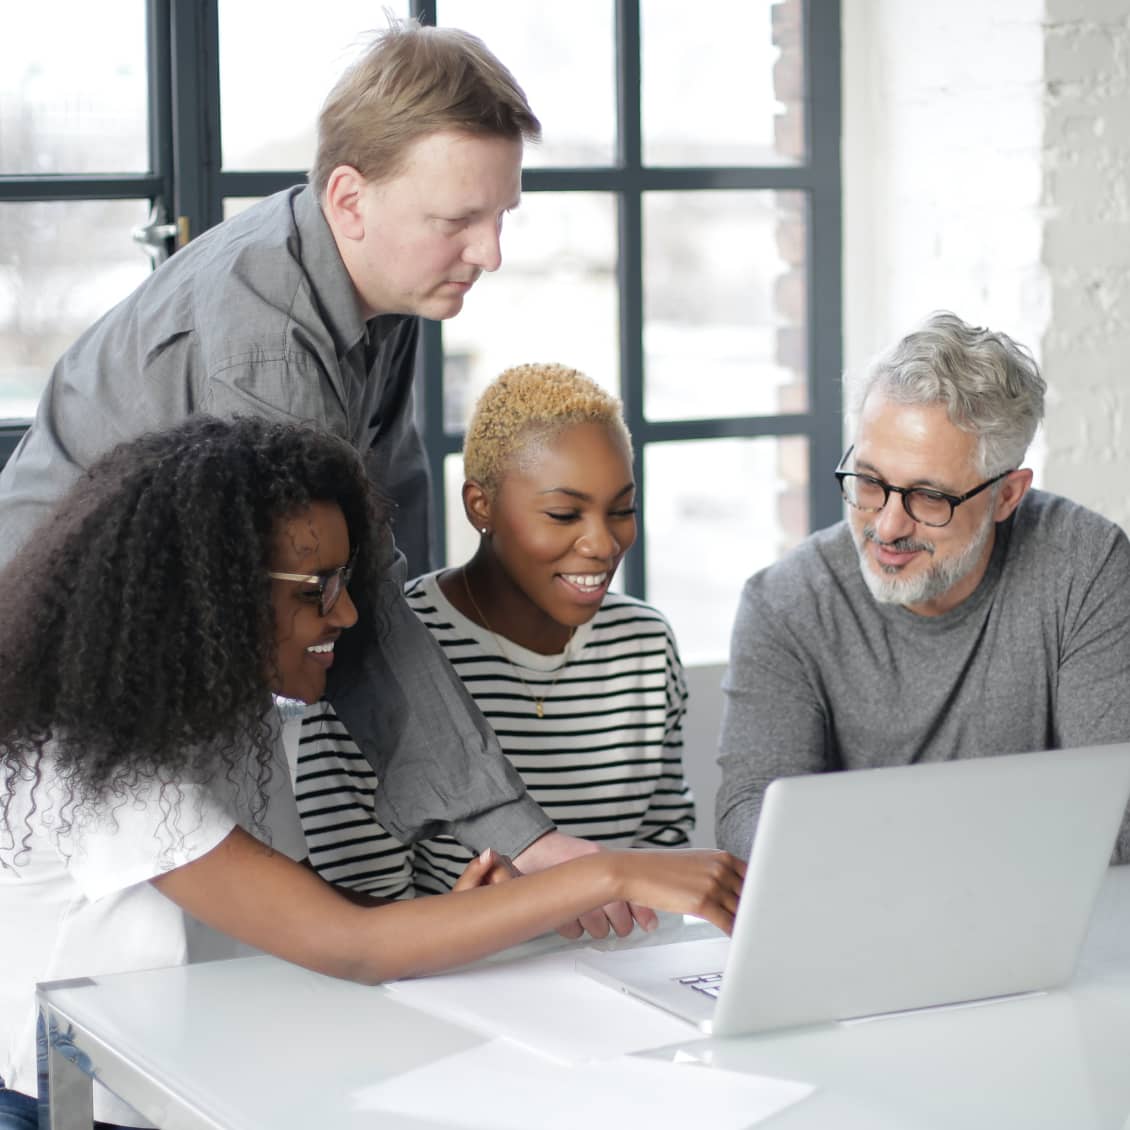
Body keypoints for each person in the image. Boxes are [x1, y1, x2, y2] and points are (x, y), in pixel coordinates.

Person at [0, 19, 613, 915]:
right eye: (458, 222)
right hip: (64, 711)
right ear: (351, 198)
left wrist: (472, 823)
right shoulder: (267, 350)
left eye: (499, 217)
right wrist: (512, 830)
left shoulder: (383, 298)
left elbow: (377, 553)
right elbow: (343, 594)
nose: (490, 253)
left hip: (176, 679)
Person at [0, 416, 746, 1130]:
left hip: (177, 1080)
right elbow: (352, 943)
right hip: (70, 1106)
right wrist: (611, 874)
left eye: (346, 580)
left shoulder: (221, 713)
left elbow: (302, 906)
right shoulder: (107, 768)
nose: (349, 615)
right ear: (212, 594)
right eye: (315, 589)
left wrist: (454, 917)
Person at [715, 311, 1130, 862]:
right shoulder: (785, 603)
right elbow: (749, 815)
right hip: (859, 921)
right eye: (868, 481)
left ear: (1008, 495)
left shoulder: (1085, 566)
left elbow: (1118, 816)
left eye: (929, 497)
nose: (886, 527)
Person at [295, 363, 695, 899]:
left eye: (623, 509)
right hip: (449, 977)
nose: (603, 544)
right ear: (480, 505)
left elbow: (663, 858)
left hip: (618, 971)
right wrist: (483, 919)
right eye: (562, 514)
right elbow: (357, 918)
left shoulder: (645, 644)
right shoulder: (380, 658)